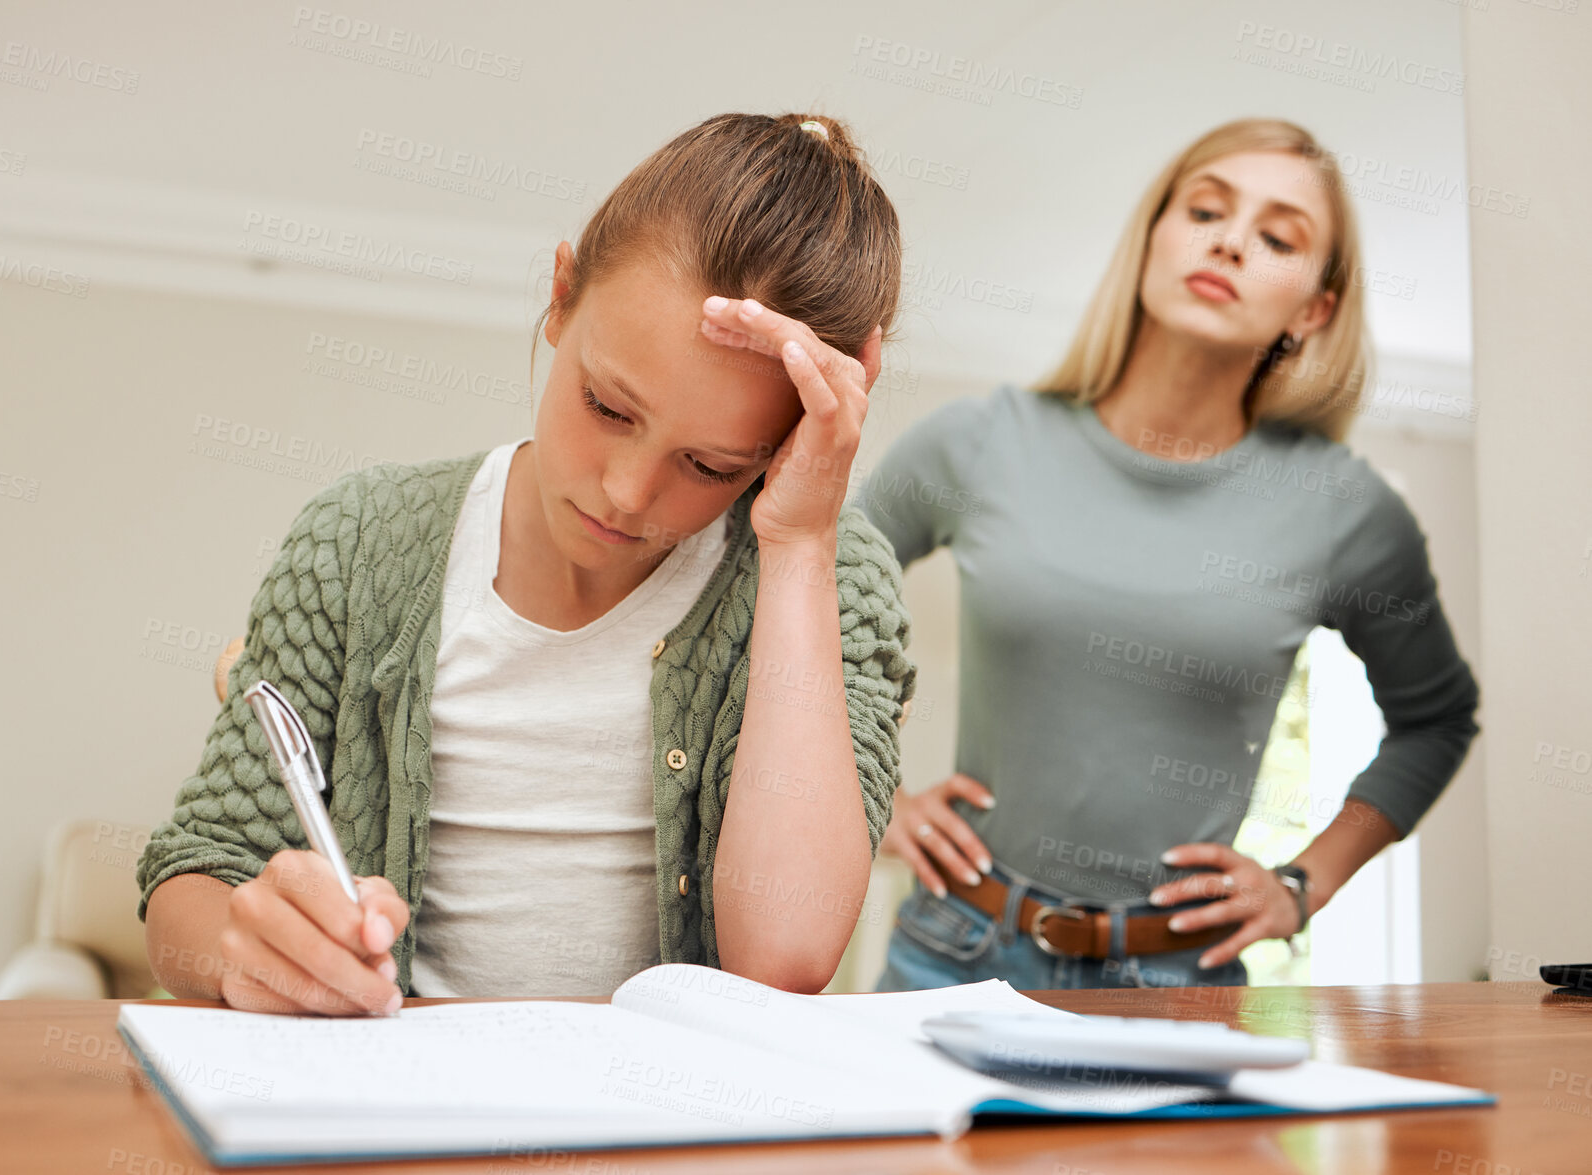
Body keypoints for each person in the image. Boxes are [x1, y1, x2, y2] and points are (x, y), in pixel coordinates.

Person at [136, 112, 917, 1015]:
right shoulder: (358, 542)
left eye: (709, 465)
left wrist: (800, 547)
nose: (626, 492)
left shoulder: (828, 574)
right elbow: (195, 873)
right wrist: (254, 949)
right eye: (606, 405)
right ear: (560, 296)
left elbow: (782, 954)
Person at [859, 117, 1480, 991]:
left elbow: (1437, 719)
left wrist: (1303, 884)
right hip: (951, 956)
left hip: (1180, 988)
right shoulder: (976, 444)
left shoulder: (1346, 510)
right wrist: (871, 797)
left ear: (1313, 309)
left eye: (1275, 237)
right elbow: (807, 594)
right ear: (1153, 235)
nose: (1229, 242)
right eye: (1205, 211)